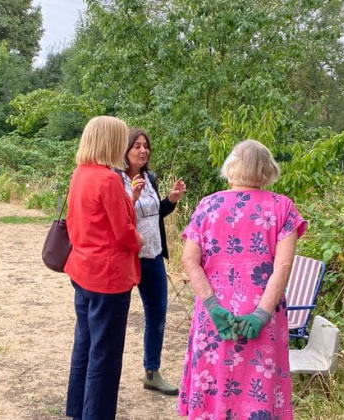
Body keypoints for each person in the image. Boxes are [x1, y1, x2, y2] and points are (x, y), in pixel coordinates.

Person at [178, 139, 307, 419]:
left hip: (215, 318)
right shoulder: (282, 207)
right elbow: (283, 266)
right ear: (268, 169)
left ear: (231, 167)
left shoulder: (208, 205)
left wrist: (213, 306)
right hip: (263, 318)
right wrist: (260, 314)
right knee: (258, 390)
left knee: (213, 386)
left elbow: (189, 260)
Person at [64, 116, 144, 420]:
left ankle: (78, 410)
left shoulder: (80, 173)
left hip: (83, 269)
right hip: (108, 277)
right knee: (105, 356)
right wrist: (138, 239)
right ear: (111, 142)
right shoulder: (108, 179)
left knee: (85, 345)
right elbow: (123, 234)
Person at [115, 129, 186, 395]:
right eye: (136, 146)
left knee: (157, 315)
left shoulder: (150, 178)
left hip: (153, 256)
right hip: (128, 258)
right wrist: (131, 198)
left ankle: (152, 372)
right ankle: (109, 373)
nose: (143, 151)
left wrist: (171, 200)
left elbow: (154, 215)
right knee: (116, 317)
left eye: (146, 146)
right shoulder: (115, 180)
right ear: (125, 150)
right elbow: (118, 218)